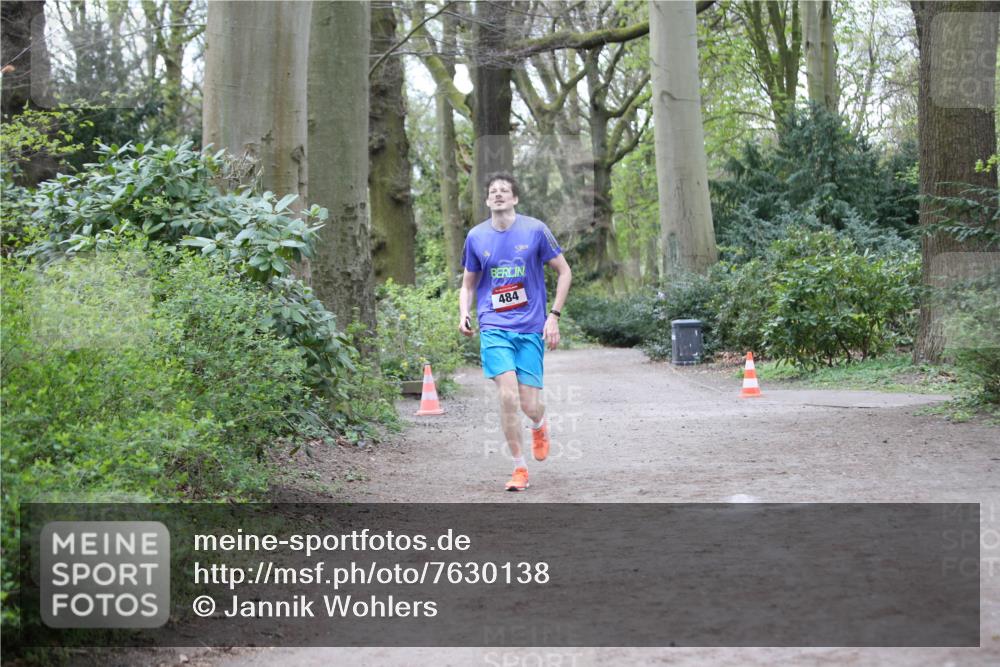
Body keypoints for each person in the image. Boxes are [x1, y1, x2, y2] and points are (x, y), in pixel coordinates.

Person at [459, 172, 572, 491]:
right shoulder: (476, 237)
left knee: (528, 404)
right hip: (494, 326)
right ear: (486, 200)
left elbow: (564, 272)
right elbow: (467, 285)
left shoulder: (535, 230)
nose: (498, 194)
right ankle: (519, 469)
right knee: (508, 396)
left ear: (515, 198)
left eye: (504, 190)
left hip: (530, 328)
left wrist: (554, 317)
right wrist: (464, 313)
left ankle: (539, 423)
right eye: (492, 191)